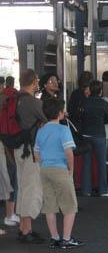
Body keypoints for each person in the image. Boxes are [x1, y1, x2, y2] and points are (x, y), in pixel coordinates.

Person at [34, 98, 85, 249]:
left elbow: (36, 152)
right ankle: (67, 239)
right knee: (70, 205)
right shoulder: (64, 130)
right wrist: (71, 170)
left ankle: (54, 238)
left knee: (49, 205)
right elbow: (69, 153)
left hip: (44, 170)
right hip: (60, 169)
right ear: (60, 113)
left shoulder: (41, 130)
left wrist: (43, 164)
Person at [15, 69, 47, 244]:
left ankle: (23, 227)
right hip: (30, 151)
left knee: (22, 187)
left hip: (16, 148)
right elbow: (49, 121)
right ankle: (26, 230)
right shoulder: (34, 103)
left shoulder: (13, 100)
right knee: (32, 189)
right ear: (34, 82)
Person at [81, 80, 108, 197]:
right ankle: (103, 190)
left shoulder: (85, 102)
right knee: (101, 163)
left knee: (86, 163)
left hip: (85, 135)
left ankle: (86, 190)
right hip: (99, 135)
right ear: (100, 90)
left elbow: (80, 117)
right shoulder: (103, 103)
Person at [0, 76, 19, 228]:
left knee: (9, 179)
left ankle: (9, 214)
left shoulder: (9, 98)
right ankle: (9, 214)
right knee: (11, 179)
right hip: (9, 143)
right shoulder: (12, 97)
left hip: (5, 143)